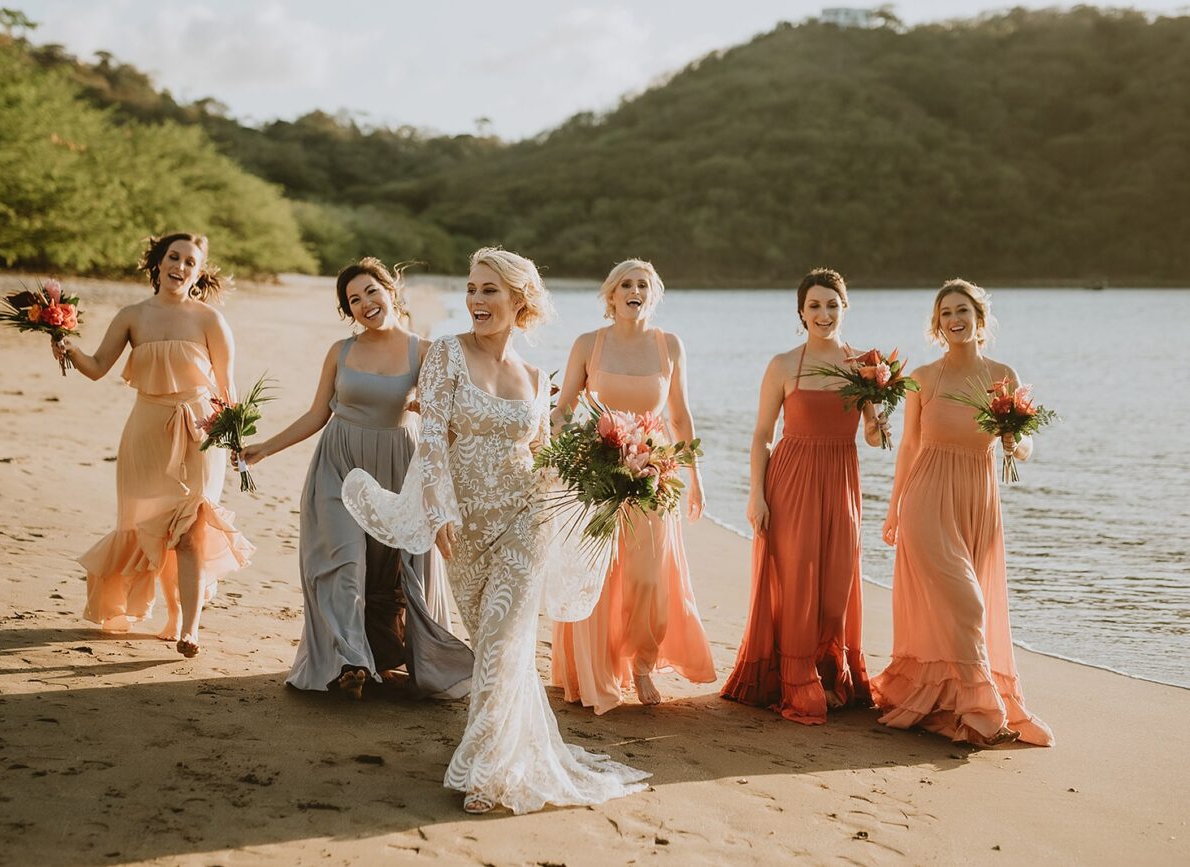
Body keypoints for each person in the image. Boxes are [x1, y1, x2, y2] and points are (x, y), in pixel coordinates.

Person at [343, 247, 649, 814]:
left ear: (518, 300)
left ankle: (485, 770)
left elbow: (541, 454)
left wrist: (612, 471)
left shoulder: (535, 378)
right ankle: (511, 751)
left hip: (524, 520)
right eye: (471, 289)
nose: (476, 301)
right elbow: (432, 439)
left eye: (489, 291)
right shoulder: (446, 357)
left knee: (507, 644)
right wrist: (438, 511)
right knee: (491, 647)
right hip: (464, 525)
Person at [241, 258, 472, 699]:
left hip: (398, 470)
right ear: (348, 311)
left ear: (391, 290)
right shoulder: (341, 351)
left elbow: (452, 420)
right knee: (343, 561)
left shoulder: (424, 351)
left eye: (371, 291)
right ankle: (352, 662)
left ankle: (402, 655)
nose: (365, 303)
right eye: (354, 300)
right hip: (339, 464)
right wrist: (266, 447)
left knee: (406, 569)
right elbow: (317, 413)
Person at [872, 280, 1053, 746]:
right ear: (938, 324)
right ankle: (981, 708)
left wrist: (1019, 444)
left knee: (967, 607)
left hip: (978, 499)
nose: (955, 319)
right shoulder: (924, 379)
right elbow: (909, 446)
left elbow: (1026, 441)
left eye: (963, 311)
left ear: (979, 319)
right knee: (968, 603)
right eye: (946, 312)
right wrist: (894, 508)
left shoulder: (1003, 374)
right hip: (926, 498)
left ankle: (952, 698)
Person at [55, 233, 253, 658]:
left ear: (199, 273)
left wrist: (236, 439)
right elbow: (95, 368)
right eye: (173, 257)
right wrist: (65, 343)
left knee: (189, 532)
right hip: (144, 434)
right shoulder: (133, 316)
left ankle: (189, 625)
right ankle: (170, 614)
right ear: (158, 262)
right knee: (152, 530)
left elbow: (227, 387)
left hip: (199, 434)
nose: (179, 267)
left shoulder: (210, 321)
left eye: (190, 262)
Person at [549, 259, 715, 712]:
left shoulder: (670, 346)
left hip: (654, 474)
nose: (633, 290)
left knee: (647, 579)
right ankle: (593, 669)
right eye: (626, 284)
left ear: (652, 294)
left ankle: (642, 664)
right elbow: (564, 408)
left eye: (643, 284)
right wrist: (558, 455)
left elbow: (680, 417)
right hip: (597, 473)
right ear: (611, 295)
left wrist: (695, 477)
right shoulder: (589, 344)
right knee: (598, 576)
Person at [721, 268, 885, 723]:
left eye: (832, 304)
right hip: (791, 479)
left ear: (844, 308)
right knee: (796, 582)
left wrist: (877, 424)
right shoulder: (782, 365)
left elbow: (871, 436)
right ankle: (799, 678)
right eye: (814, 305)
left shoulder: (863, 366)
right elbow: (761, 435)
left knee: (837, 583)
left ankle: (831, 671)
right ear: (801, 312)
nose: (824, 313)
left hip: (841, 478)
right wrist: (756, 494)